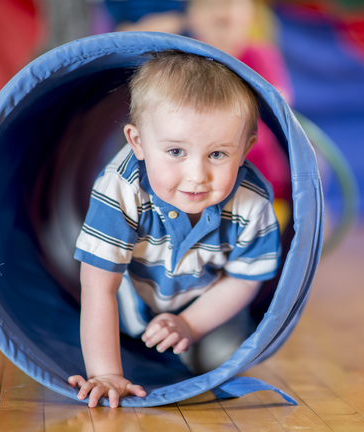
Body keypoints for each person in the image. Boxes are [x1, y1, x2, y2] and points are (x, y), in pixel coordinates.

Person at [67, 50, 282, 408]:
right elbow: (98, 285)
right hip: (126, 304)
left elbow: (244, 278)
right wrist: (106, 374)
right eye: (176, 151)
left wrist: (190, 324)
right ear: (137, 142)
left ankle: (188, 349)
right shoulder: (121, 189)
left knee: (221, 363)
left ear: (245, 149)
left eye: (217, 155)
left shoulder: (251, 204)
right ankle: (131, 353)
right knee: (88, 354)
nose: (197, 176)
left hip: (206, 302)